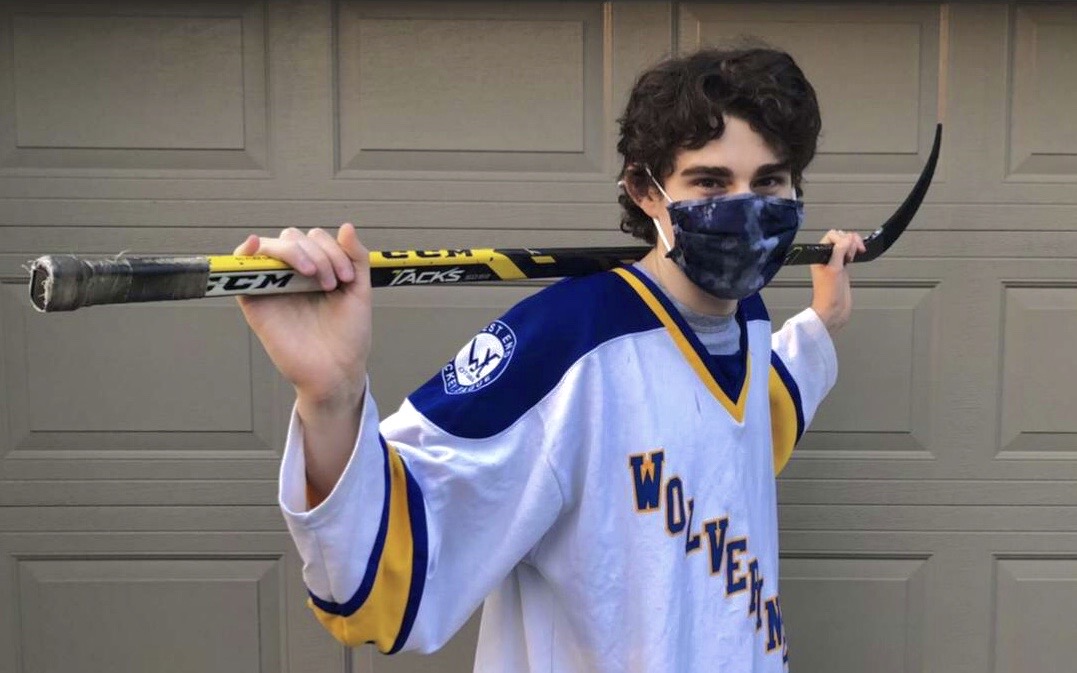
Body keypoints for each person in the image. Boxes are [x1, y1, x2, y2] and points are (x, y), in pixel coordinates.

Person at [234, 46, 864, 672]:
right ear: (646, 191)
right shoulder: (563, 344)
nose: (746, 210)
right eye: (710, 182)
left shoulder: (748, 317)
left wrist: (824, 318)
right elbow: (383, 580)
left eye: (770, 182)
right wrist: (332, 397)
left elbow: (748, 431)